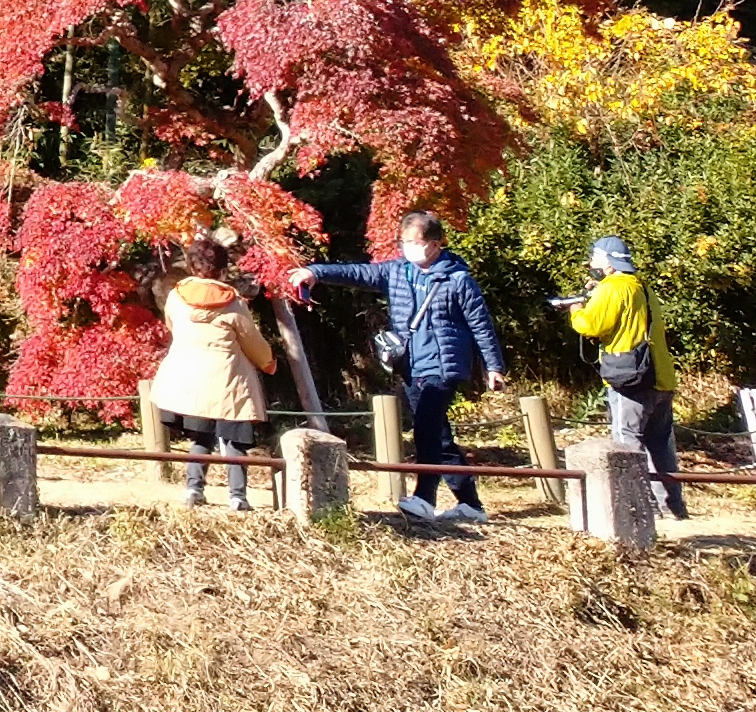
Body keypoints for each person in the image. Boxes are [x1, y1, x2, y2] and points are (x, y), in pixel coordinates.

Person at [292, 210, 509, 523]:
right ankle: (470, 504)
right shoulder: (398, 272)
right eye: (404, 242)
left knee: (426, 430)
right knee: (439, 436)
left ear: (435, 244)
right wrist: (316, 272)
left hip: (443, 366)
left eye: (416, 242)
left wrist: (493, 366)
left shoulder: (458, 280)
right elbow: (357, 274)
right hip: (411, 365)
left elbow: (480, 325)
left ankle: (424, 497)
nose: (409, 248)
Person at [561, 233, 688, 521]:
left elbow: (592, 325)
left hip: (631, 379)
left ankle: (640, 507)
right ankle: (672, 506)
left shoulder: (613, 287)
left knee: (626, 442)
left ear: (607, 263)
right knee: (661, 444)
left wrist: (575, 311)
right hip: (661, 376)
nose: (591, 264)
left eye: (594, 259)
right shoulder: (641, 285)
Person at [150, 237, 281, 510]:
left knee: (201, 438)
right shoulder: (233, 304)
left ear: (190, 266)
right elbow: (253, 342)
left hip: (189, 381)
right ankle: (237, 497)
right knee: (235, 441)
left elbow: (172, 326)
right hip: (228, 380)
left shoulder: (176, 297)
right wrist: (269, 363)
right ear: (223, 269)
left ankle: (193, 490)